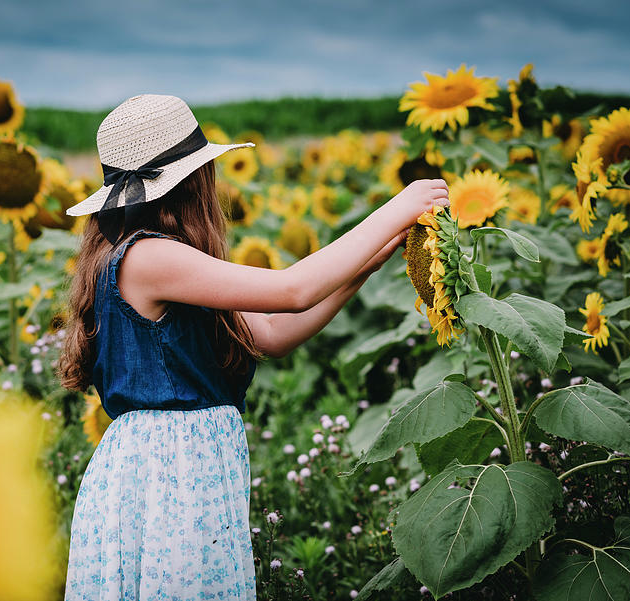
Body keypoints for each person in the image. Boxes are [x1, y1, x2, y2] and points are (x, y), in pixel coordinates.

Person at [56, 94, 449, 600]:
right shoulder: (146, 258)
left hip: (186, 471)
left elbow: (271, 333)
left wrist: (364, 267)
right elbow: (291, 291)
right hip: (168, 478)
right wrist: (399, 206)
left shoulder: (167, 262)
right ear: (191, 182)